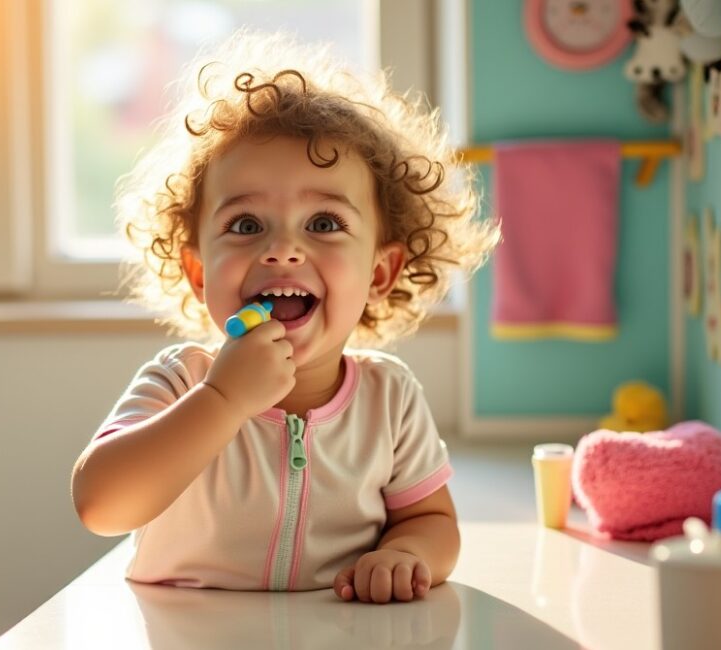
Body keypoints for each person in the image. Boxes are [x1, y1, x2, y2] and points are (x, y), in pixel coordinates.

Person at [70, 31, 500, 603]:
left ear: (379, 272)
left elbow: (434, 523)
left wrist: (405, 554)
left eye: (323, 223)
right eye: (247, 226)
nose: (282, 250)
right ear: (200, 273)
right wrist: (221, 401)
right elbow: (102, 504)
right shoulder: (181, 382)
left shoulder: (389, 400)